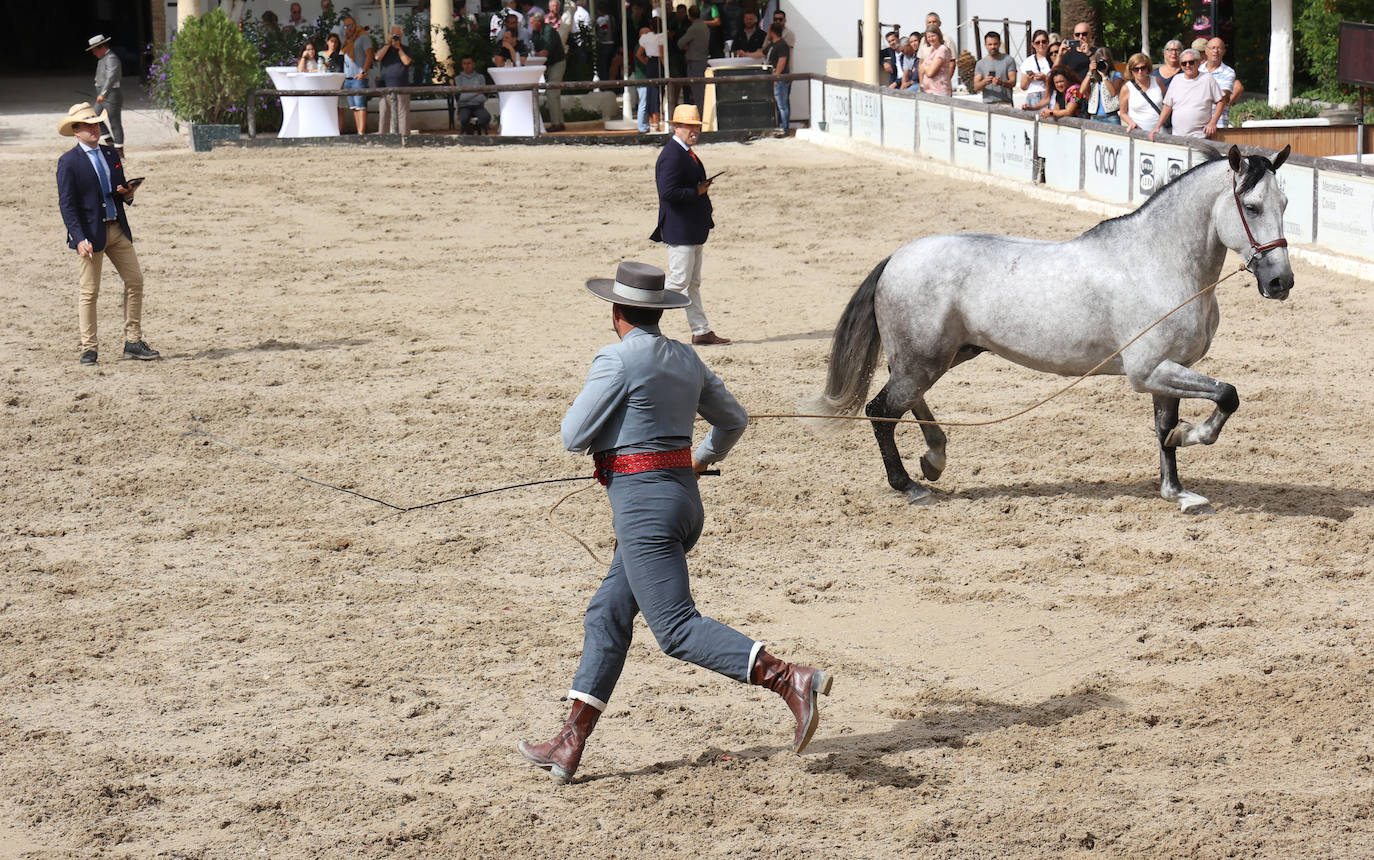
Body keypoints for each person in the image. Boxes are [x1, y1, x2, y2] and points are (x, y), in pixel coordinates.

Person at [516, 259, 832, 784]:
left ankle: (787, 678)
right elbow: (734, 420)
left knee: (676, 630)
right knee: (607, 615)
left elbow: (574, 436)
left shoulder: (615, 360)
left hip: (644, 515)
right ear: (657, 312)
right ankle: (570, 742)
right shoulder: (687, 359)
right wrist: (701, 457)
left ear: (616, 311)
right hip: (683, 506)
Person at [56, 103, 158, 365]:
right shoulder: (68, 162)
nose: (95, 128)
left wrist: (128, 193)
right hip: (91, 234)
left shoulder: (111, 153)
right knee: (89, 292)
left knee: (135, 281)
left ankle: (133, 341)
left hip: (117, 228)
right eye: (88, 125)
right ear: (76, 131)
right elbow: (67, 205)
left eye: (96, 123)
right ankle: (89, 347)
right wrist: (78, 238)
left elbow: (117, 190)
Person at [651, 104, 728, 346]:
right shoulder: (673, 154)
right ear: (677, 127)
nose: (694, 130)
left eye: (696, 126)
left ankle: (701, 330)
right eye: (689, 126)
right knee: (677, 283)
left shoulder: (684, 152)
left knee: (691, 283)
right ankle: (639, 319)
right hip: (681, 229)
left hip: (691, 228)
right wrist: (696, 191)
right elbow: (667, 193)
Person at [1150, 48, 1224, 140]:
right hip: (1177, 137)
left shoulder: (1207, 79)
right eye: (1184, 63)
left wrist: (1213, 122)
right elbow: (1167, 106)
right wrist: (1158, 126)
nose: (1187, 66)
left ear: (1198, 62)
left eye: (1191, 62)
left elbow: (1221, 101)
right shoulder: (1176, 79)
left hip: (1200, 137)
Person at [529, 10, 567, 130]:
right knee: (554, 93)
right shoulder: (536, 32)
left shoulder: (549, 31)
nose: (531, 26)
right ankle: (559, 122)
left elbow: (544, 52)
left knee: (552, 93)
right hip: (549, 64)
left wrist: (536, 54)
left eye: (532, 23)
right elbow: (535, 51)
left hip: (557, 63)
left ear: (538, 22)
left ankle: (556, 124)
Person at [87, 35, 123, 151]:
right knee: (94, 116)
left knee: (114, 121)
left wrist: (104, 93)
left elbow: (111, 77)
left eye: (94, 50)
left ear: (101, 47)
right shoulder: (103, 59)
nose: (93, 53)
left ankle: (119, 149)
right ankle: (109, 141)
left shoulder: (111, 58)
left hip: (111, 94)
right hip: (102, 94)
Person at [375, 26, 413, 134]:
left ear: (401, 36)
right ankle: (383, 137)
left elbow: (406, 62)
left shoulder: (405, 49)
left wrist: (398, 48)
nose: (396, 37)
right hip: (385, 86)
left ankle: (404, 137)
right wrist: (388, 44)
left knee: (402, 114)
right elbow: (377, 57)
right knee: (384, 113)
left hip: (401, 85)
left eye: (398, 35)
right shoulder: (385, 48)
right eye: (394, 35)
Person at [341, 17, 374, 135]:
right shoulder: (347, 40)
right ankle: (358, 131)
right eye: (345, 27)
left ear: (355, 25)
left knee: (361, 106)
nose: (348, 29)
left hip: (358, 77)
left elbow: (369, 56)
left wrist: (363, 72)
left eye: (350, 26)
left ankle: (361, 132)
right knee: (354, 107)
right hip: (348, 77)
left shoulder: (363, 37)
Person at [1201, 37, 1244, 127]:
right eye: (1212, 48)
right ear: (1206, 51)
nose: (1215, 51)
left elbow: (1222, 97)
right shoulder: (1198, 70)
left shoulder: (1228, 72)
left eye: (1219, 48)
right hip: (1198, 123)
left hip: (1218, 124)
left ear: (1224, 52)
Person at [1120, 53, 1165, 135]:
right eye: (1136, 69)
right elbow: (1123, 112)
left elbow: (1166, 104)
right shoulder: (1126, 88)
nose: (1140, 72)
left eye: (1143, 68)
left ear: (1148, 68)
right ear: (1131, 71)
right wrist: (1131, 123)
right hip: (1139, 132)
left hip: (1160, 131)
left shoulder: (1157, 81)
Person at [678, 6, 710, 111]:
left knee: (698, 92)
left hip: (694, 62)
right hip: (703, 59)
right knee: (703, 90)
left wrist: (687, 46)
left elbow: (680, 43)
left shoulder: (693, 28)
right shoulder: (705, 26)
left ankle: (702, 116)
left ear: (690, 15)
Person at [635, 18, 664, 133]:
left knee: (651, 93)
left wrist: (647, 62)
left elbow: (639, 54)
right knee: (656, 93)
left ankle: (652, 123)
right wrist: (665, 67)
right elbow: (661, 54)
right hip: (657, 64)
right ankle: (655, 123)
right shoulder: (660, 37)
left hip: (651, 64)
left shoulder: (645, 38)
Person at [973, 31, 1017, 105]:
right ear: (985, 45)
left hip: (1005, 102)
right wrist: (985, 82)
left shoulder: (1009, 60)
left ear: (999, 44)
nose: (993, 47)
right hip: (988, 103)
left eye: (995, 44)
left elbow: (1013, 82)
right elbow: (976, 87)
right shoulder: (980, 63)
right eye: (990, 44)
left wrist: (1001, 83)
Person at [1082, 47, 1123, 123]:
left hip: (1111, 117)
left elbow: (1113, 93)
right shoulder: (1093, 77)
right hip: (1095, 118)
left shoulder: (1116, 75)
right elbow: (1082, 91)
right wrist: (1090, 71)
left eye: (1105, 61)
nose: (1103, 63)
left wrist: (1104, 76)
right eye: (1100, 61)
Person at [764, 21, 791, 131]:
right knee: (780, 106)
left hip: (780, 79)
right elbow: (761, 53)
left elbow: (782, 62)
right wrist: (746, 54)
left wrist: (776, 77)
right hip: (777, 78)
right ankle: (781, 127)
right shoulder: (773, 45)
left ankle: (785, 129)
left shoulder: (782, 45)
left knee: (782, 105)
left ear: (772, 32)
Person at [454, 55, 491, 133]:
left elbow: (484, 97)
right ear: (462, 65)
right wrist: (476, 93)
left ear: (473, 64)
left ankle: (478, 132)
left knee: (485, 117)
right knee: (464, 118)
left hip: (478, 106)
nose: (467, 66)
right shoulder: (458, 79)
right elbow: (460, 98)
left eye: (469, 63)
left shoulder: (480, 77)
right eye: (464, 63)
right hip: (464, 107)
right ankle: (469, 134)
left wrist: (466, 94)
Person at [1019, 30, 1053, 110]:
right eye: (1038, 42)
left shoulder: (1052, 58)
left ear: (1048, 42)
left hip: (1048, 95)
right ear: (1033, 44)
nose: (1041, 45)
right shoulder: (1028, 61)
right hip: (1032, 96)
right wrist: (1029, 79)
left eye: (1043, 42)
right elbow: (1023, 87)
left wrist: (1045, 78)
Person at [918, 27, 953, 97]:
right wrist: (927, 68)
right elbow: (920, 69)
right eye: (929, 37)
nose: (931, 39)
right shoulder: (932, 50)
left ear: (939, 36)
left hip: (939, 92)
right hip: (929, 91)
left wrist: (925, 68)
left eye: (933, 36)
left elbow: (931, 73)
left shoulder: (942, 50)